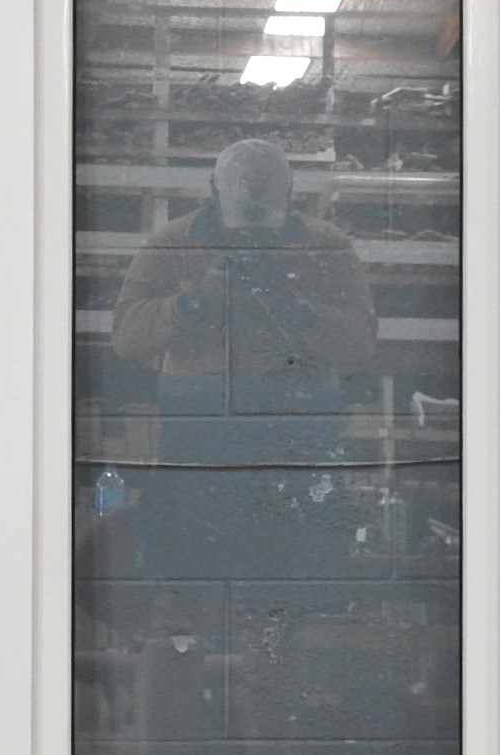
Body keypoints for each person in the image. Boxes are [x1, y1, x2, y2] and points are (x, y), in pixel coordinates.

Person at [110, 139, 377, 577]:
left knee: (299, 565)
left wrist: (301, 311)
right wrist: (194, 302)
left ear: (290, 196)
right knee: (191, 561)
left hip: (295, 433)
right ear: (213, 193)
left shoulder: (326, 247)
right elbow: (126, 336)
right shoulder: (172, 245)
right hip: (200, 433)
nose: (250, 241)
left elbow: (361, 344)